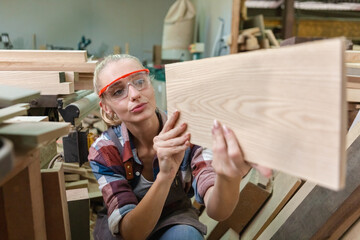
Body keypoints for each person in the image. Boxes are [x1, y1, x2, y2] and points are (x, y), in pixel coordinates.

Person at [88, 54, 272, 240]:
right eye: (118, 92)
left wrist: (228, 177)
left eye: (139, 82)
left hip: (174, 220)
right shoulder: (104, 150)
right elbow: (132, 233)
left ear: (150, 85)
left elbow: (218, 211)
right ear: (106, 108)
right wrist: (165, 176)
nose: (135, 94)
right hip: (130, 228)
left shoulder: (188, 131)